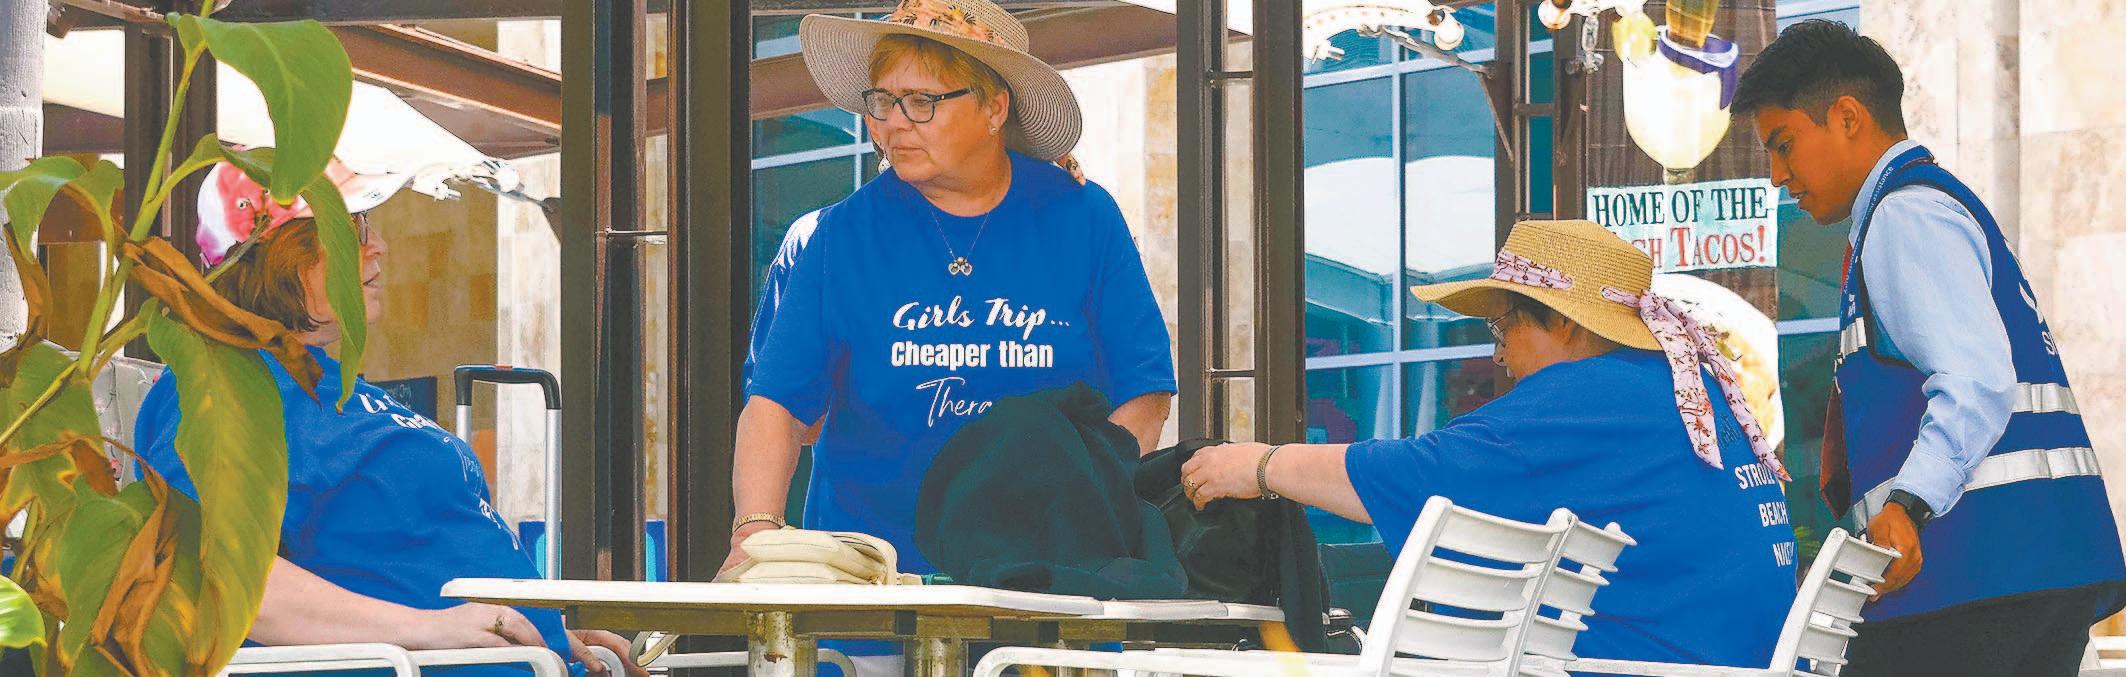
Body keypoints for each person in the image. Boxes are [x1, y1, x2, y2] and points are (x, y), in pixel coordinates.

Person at [733, 0, 1176, 671]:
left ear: (994, 108)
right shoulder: (839, 236)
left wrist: (1084, 501)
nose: (892, 123)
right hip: (872, 604)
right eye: (882, 101)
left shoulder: (1083, 216)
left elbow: (1144, 391)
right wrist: (755, 532)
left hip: (1050, 593)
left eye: (922, 102)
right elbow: (776, 407)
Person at [1181, 220, 1800, 669]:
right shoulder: (1690, 392)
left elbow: (1420, 475)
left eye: (1503, 327)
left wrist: (1261, 464)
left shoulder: (1588, 395)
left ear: (1564, 322)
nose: (1497, 356)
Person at [135, 160, 646, 677]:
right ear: (277, 255)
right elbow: (214, 575)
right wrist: (433, 630)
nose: (378, 244)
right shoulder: (221, 382)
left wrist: (547, 631)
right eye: (353, 228)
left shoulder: (326, 385)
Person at [1731, 19, 2125, 676]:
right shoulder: (1936, 205)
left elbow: (1976, 378)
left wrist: (1908, 503)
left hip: (1969, 575)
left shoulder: (1905, 215)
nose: (1777, 176)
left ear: (1848, 117)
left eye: (1784, 144)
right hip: (2030, 563)